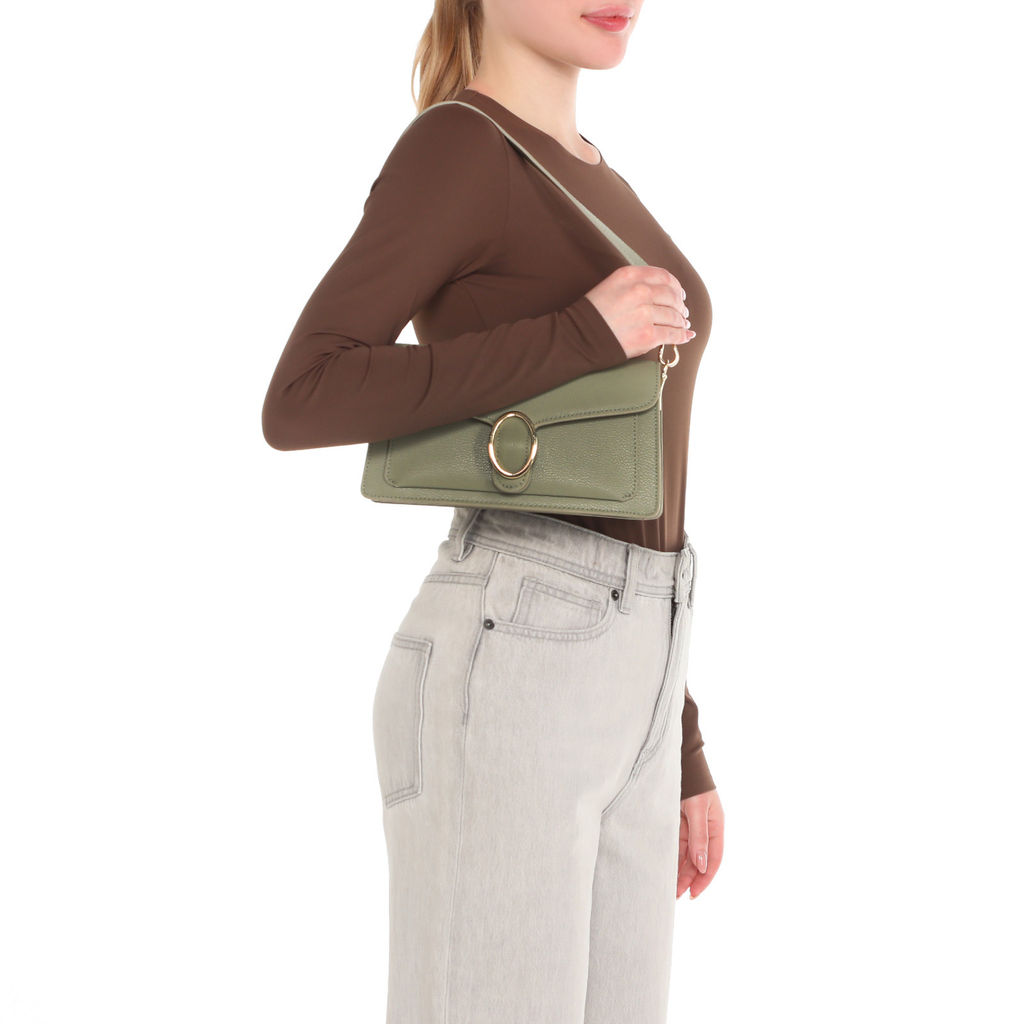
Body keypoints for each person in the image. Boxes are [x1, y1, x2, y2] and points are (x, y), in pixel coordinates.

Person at [261, 1, 725, 1020]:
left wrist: (679, 739)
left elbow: (628, 479)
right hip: (515, 657)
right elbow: (301, 395)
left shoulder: (593, 177)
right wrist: (578, 335)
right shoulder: (460, 149)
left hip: (639, 665)